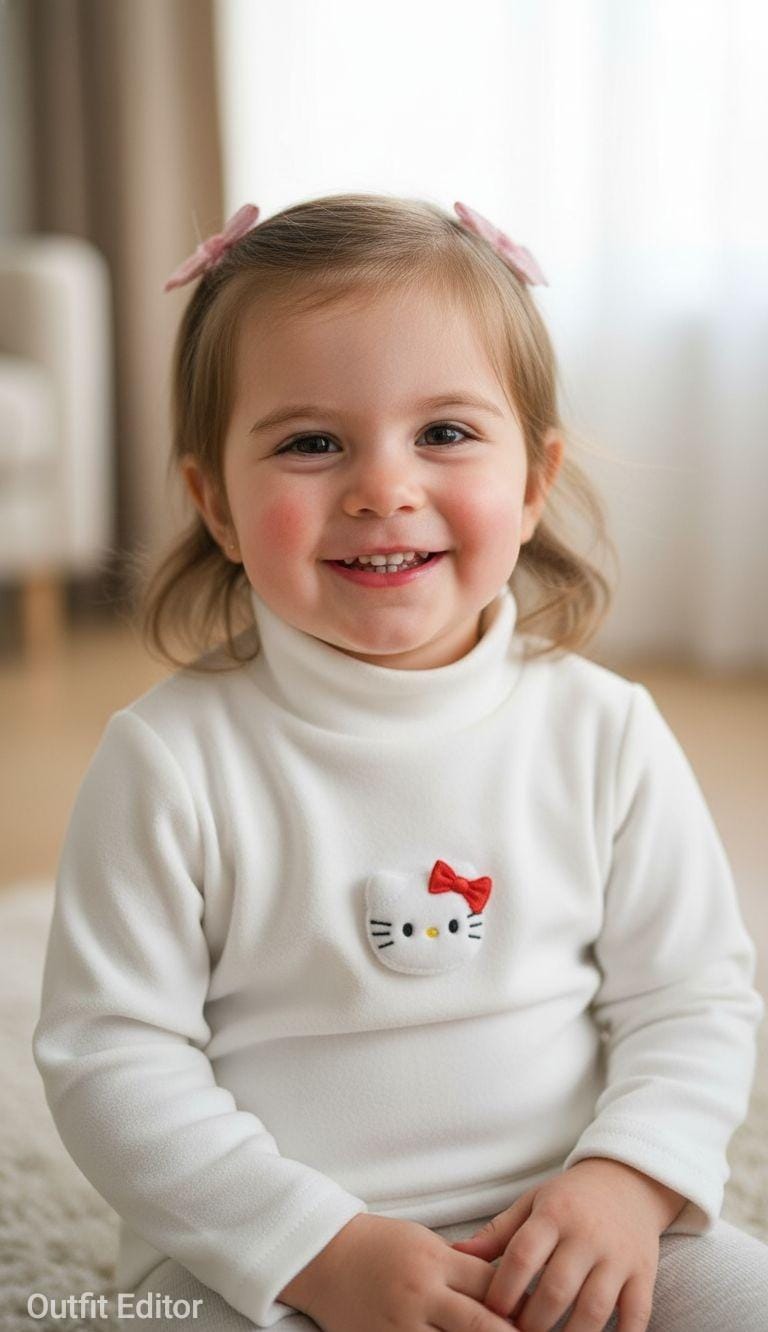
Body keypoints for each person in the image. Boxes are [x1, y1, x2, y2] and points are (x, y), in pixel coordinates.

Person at [32, 193, 767, 1332]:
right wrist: (317, 1250)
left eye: (446, 434)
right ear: (215, 502)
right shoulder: (169, 760)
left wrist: (626, 1183)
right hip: (268, 1262)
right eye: (310, 443)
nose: (384, 488)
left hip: (568, 1231)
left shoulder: (604, 731)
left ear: (534, 481)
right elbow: (108, 1058)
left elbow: (693, 996)